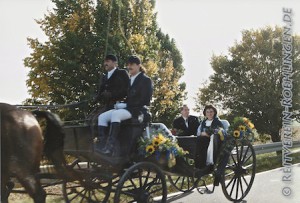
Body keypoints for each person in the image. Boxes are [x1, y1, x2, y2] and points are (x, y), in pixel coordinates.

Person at [96, 55, 153, 156]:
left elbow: (145, 100)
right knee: (102, 117)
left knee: (116, 115)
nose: (129, 67)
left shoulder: (145, 80)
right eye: (128, 64)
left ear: (139, 65)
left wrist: (126, 105)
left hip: (138, 111)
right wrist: (122, 104)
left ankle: (110, 148)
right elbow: (128, 97)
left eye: (132, 64)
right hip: (128, 108)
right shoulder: (130, 79)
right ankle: (101, 145)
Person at [94, 54, 130, 149]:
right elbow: (100, 92)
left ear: (115, 63)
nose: (105, 63)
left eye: (108, 61)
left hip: (119, 105)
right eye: (105, 61)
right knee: (92, 120)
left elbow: (128, 89)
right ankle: (101, 143)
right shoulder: (104, 77)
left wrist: (113, 95)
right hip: (107, 106)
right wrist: (97, 97)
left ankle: (110, 146)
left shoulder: (122, 73)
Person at [195, 104, 224, 171]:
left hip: (214, 141)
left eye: (211, 111)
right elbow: (199, 132)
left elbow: (221, 131)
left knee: (202, 141)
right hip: (203, 139)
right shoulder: (203, 122)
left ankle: (209, 163)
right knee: (198, 140)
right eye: (207, 112)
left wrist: (210, 134)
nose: (209, 113)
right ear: (205, 113)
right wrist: (203, 134)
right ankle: (199, 165)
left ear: (214, 112)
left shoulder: (217, 121)